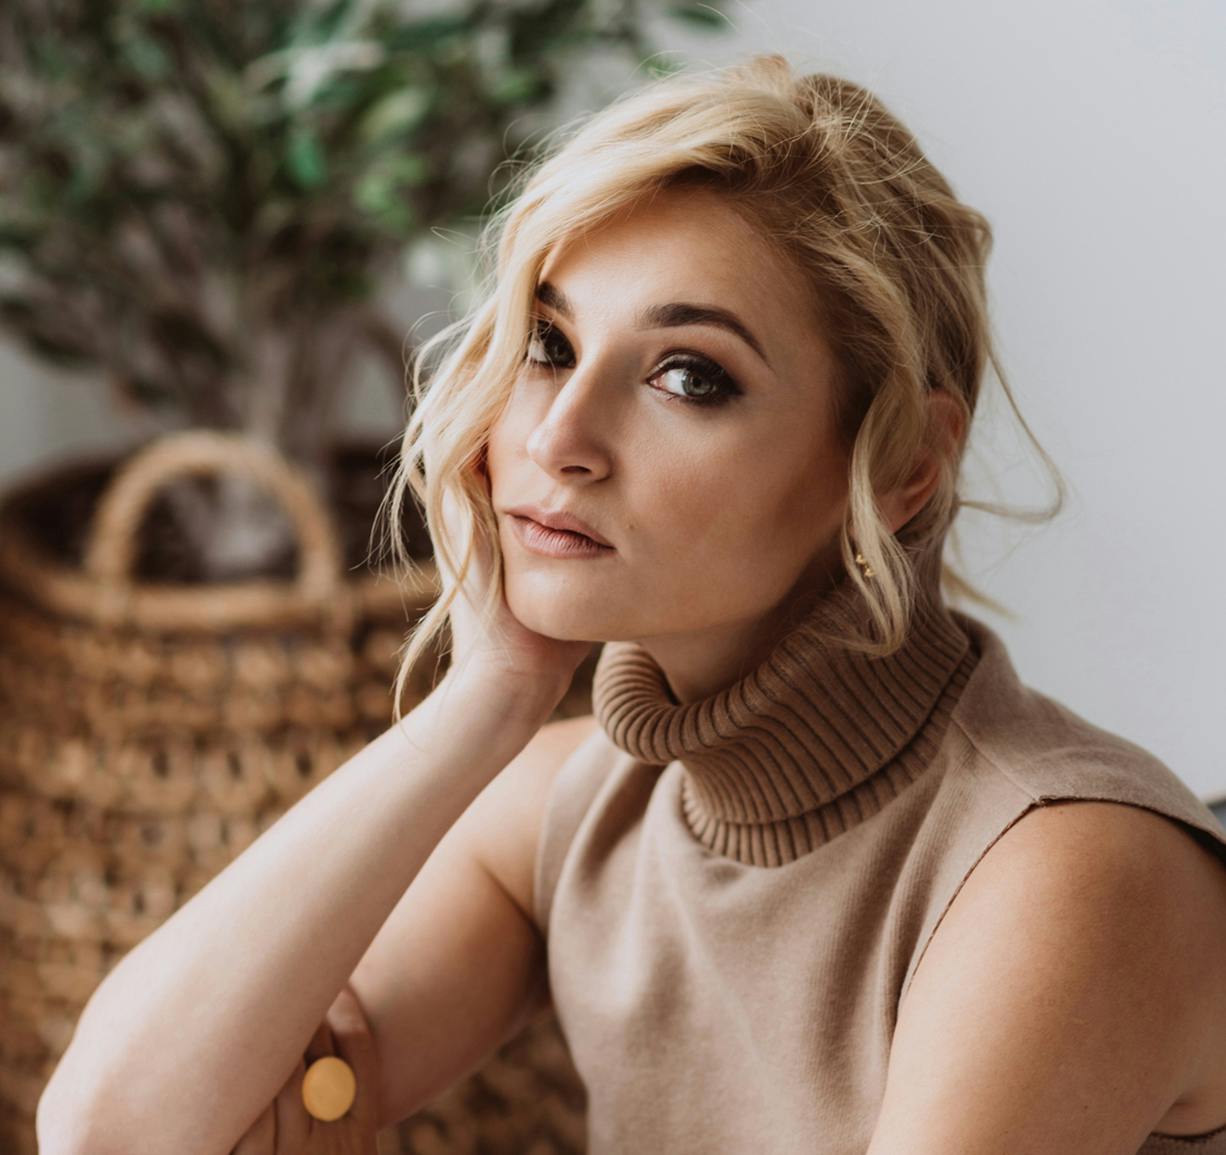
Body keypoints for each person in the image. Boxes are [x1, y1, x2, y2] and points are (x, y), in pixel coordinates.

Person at [39, 53, 1226, 1155]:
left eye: (686, 376)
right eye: (547, 343)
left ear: (899, 462)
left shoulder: (1062, 873)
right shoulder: (578, 808)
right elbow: (116, 1131)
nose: (558, 436)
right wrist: (486, 696)